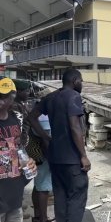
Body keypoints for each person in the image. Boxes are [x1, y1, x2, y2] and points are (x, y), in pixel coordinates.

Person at [28, 68, 90, 222]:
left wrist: (45, 136)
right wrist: (83, 156)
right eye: (81, 81)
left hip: (55, 159)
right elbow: (75, 127)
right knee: (76, 198)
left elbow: (31, 117)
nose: (81, 84)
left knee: (60, 197)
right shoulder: (74, 96)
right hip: (73, 160)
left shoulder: (50, 97)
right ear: (75, 80)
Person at [0, 77, 37, 222]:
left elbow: (18, 148)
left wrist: (27, 161)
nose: (1, 101)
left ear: (12, 97)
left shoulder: (16, 119)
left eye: (4, 96)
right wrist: (13, 161)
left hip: (14, 196)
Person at [26, 89, 55, 222]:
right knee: (43, 187)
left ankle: (38, 215)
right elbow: (45, 141)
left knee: (38, 186)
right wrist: (53, 158)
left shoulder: (37, 113)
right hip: (42, 156)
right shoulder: (44, 117)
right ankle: (43, 218)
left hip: (34, 153)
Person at [11, 79, 31, 148]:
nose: (29, 93)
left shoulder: (20, 104)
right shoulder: (14, 106)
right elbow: (18, 127)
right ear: (18, 92)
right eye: (27, 91)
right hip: (17, 143)